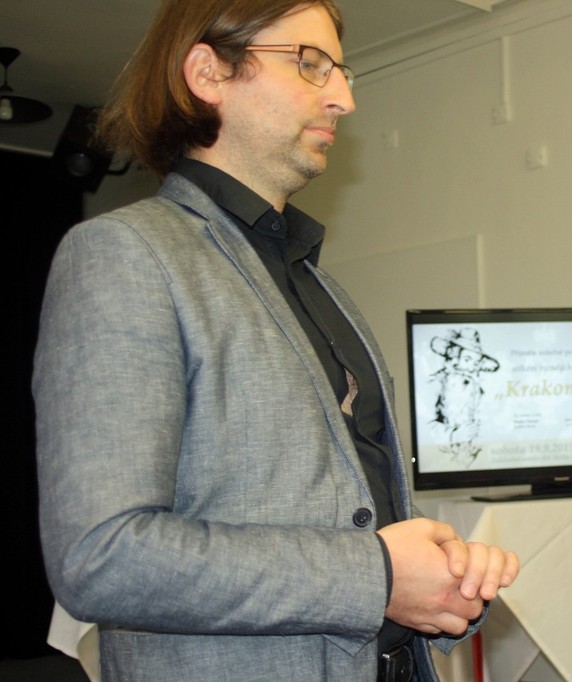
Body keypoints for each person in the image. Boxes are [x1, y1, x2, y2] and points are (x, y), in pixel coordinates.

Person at [32, 1, 518, 680]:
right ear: (208, 72)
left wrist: (441, 580)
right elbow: (101, 556)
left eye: (342, 72)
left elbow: (347, 513)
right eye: (310, 64)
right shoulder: (125, 253)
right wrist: (379, 575)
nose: (344, 98)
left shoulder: (319, 285)